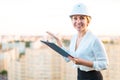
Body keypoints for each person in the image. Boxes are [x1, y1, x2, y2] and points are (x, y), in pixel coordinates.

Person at [46, 3, 109, 80]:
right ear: (72, 21)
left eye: (82, 18)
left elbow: (104, 64)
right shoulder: (74, 38)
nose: (78, 21)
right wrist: (58, 42)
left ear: (88, 21)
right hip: (80, 76)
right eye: (75, 18)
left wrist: (83, 62)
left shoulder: (94, 39)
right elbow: (68, 58)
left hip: (93, 77)